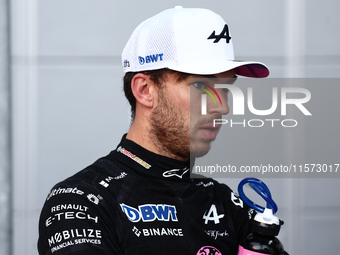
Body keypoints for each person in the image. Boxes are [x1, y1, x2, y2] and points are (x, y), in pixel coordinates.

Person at [38, 6, 270, 255]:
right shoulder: (81, 201)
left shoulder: (224, 201)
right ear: (145, 90)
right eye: (202, 86)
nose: (222, 107)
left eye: (225, 88)